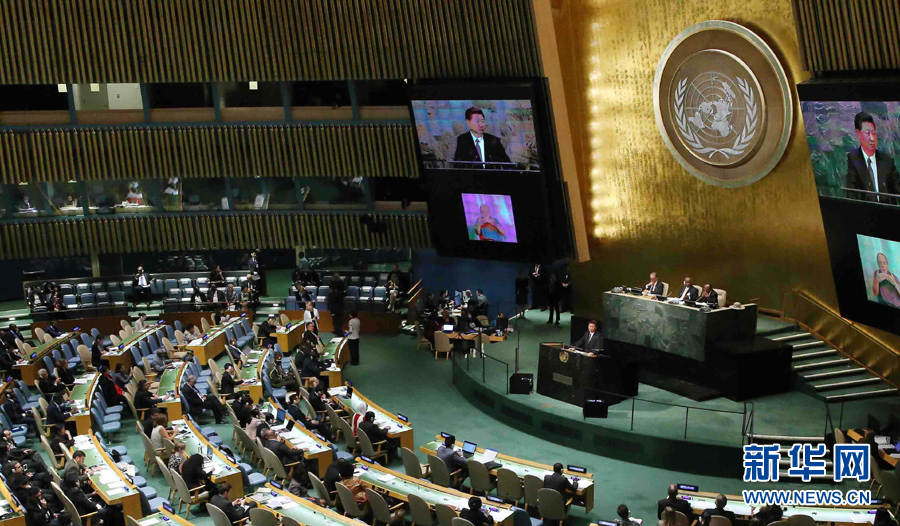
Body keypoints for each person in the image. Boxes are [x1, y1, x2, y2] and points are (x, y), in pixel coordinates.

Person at [847, 111, 900, 203]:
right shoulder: (853, 159)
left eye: (874, 133)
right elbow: (851, 194)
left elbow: (898, 189)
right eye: (867, 133)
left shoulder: (887, 161)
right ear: (858, 133)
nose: (872, 138)